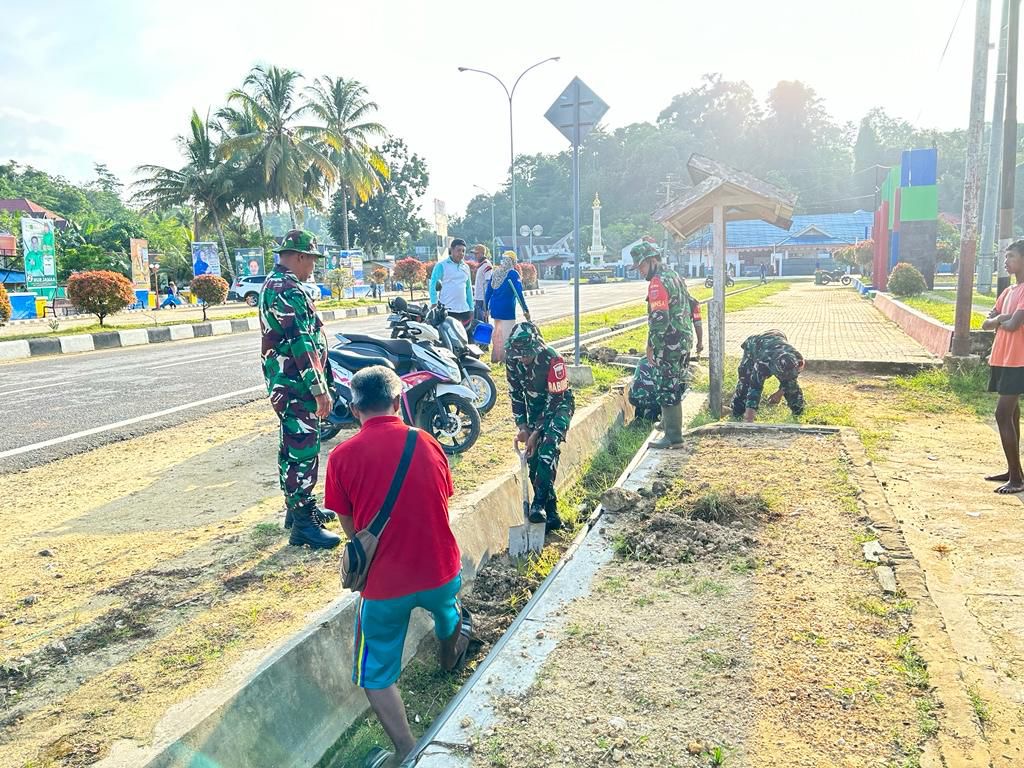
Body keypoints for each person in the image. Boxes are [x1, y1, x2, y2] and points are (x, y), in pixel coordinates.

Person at [324, 366, 470, 768]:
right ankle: (448, 660)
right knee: (448, 612)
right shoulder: (427, 443)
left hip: (386, 589)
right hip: (442, 572)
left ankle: (407, 750)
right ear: (396, 402)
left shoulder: (340, 457)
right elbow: (441, 501)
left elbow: (354, 531)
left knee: (374, 671)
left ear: (355, 411)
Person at [259, 229, 339, 549]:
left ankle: (296, 509)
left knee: (290, 445)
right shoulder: (289, 289)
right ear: (301, 257)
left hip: (285, 382)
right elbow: (301, 342)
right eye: (312, 261)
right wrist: (319, 389)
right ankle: (303, 525)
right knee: (304, 448)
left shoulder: (274, 283)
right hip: (297, 385)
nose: (313, 268)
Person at [505, 322, 574, 532]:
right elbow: (515, 394)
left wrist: (537, 431)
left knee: (547, 451)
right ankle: (552, 515)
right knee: (534, 462)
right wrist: (523, 426)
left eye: (526, 354)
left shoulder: (553, 360)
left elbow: (556, 398)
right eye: (519, 354)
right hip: (535, 411)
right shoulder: (513, 361)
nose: (523, 358)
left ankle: (538, 504)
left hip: (559, 406)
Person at [631, 237, 694, 449]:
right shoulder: (674, 275)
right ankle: (668, 423)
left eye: (641, 265)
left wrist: (652, 345)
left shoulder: (657, 283)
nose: (640, 271)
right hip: (684, 338)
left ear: (651, 261)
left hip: (669, 342)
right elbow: (692, 305)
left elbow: (660, 318)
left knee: (666, 385)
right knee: (675, 380)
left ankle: (674, 437)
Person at [983, 240, 1024, 494]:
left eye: (1010, 256)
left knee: (1002, 414)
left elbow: (1013, 325)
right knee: (1012, 414)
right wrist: (1000, 318)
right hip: (1003, 358)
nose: (1005, 261)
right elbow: (989, 321)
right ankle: (1014, 470)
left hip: (1018, 360)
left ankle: (1017, 481)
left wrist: (1000, 320)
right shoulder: (1009, 292)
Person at [731, 330, 806, 423]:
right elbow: (754, 387)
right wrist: (749, 418)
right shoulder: (762, 363)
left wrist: (779, 393)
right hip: (754, 344)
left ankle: (798, 413)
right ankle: (737, 412)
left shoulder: (798, 359)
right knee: (745, 380)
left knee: (791, 385)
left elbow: (791, 380)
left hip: (777, 336)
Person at [486, 251, 531, 363]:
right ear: (513, 261)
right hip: (507, 309)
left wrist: (486, 307)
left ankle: (496, 357)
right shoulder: (513, 274)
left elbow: (488, 291)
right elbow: (519, 293)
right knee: (507, 334)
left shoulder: (496, 272)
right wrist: (525, 309)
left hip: (495, 308)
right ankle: (506, 359)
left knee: (498, 332)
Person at [429, 238, 474, 326]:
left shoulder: (466, 267)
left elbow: (468, 288)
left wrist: (471, 307)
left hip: (464, 310)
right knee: (449, 339)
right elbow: (433, 284)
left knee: (467, 338)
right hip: (447, 310)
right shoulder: (441, 265)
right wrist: (434, 303)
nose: (461, 253)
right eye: (458, 250)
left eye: (463, 251)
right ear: (452, 250)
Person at [472, 244, 492, 323]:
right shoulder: (481, 265)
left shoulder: (487, 265)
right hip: (478, 297)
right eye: (474, 254)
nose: (475, 255)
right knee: (478, 322)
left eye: (476, 253)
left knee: (483, 322)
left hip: (483, 299)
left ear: (482, 253)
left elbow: (488, 283)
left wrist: (486, 303)